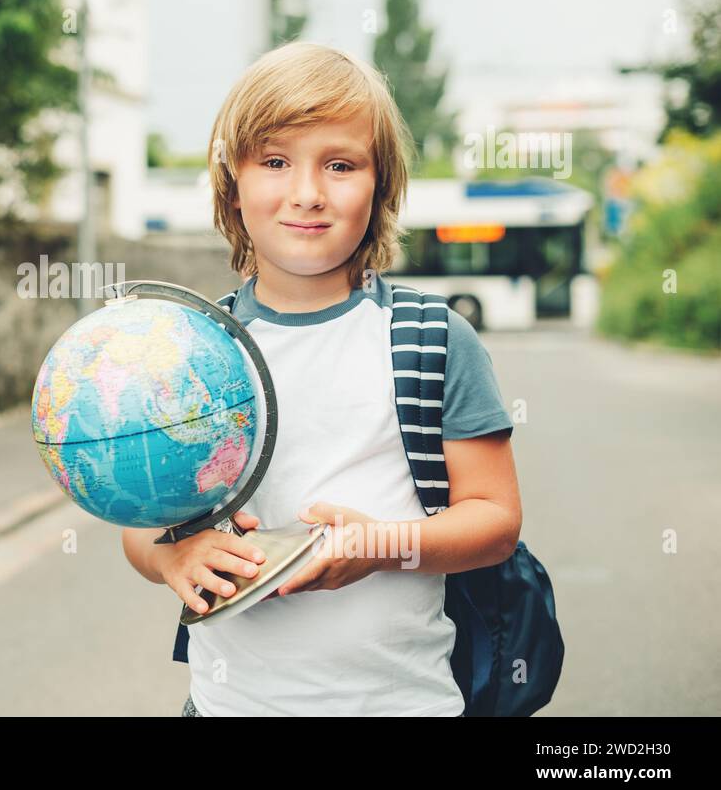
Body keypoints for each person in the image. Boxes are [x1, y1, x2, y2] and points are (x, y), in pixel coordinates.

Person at [121, 42, 521, 716]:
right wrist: (172, 559)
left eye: (340, 164)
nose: (307, 192)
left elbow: (495, 522)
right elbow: (141, 525)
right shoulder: (189, 352)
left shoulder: (434, 339)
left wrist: (379, 544)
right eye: (274, 161)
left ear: (380, 185)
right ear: (232, 182)